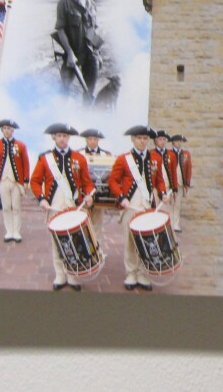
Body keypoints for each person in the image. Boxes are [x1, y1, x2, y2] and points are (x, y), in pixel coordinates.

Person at [30, 123, 95, 291]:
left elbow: (87, 183)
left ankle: (73, 275)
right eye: (59, 135)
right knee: (57, 241)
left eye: (65, 136)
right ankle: (60, 274)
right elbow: (35, 182)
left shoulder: (79, 159)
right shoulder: (45, 159)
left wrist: (89, 195)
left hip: (74, 206)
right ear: (54, 137)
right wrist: (42, 199)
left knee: (75, 241)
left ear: (69, 138)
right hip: (55, 206)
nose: (62, 139)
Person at [108, 125, 167, 291]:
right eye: (139, 138)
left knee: (147, 240)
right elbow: (112, 181)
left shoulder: (155, 158)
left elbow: (159, 181)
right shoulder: (123, 159)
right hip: (130, 205)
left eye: (145, 138)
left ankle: (143, 272)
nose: (142, 141)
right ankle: (131, 273)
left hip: (148, 205)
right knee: (129, 240)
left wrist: (163, 193)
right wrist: (122, 198)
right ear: (133, 139)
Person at [55, 0, 102, 103]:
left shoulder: (92, 5)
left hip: (90, 54)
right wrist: (69, 53)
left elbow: (94, 31)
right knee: (64, 91)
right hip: (72, 54)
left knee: (89, 93)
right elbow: (60, 29)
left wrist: (98, 54)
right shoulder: (64, 3)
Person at [0, 119, 30, 243]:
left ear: (13, 130)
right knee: (6, 206)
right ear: (2, 130)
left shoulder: (21, 145)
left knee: (16, 206)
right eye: (5, 128)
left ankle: (17, 231)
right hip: (3, 180)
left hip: (16, 181)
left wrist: (25, 181)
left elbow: (25, 163)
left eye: (9, 128)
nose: (7, 131)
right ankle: (9, 231)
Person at [78, 128, 111, 241]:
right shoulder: (79, 154)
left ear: (98, 140)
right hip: (84, 193)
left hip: (100, 192)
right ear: (86, 140)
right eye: (90, 139)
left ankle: (98, 251)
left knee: (97, 223)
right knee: (82, 222)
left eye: (95, 139)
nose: (92, 141)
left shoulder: (106, 155)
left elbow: (110, 172)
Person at [169, 134, 192, 232]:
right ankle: (169, 224)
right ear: (173, 142)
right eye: (177, 141)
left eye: (180, 141)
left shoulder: (186, 154)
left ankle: (176, 224)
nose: (179, 143)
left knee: (178, 204)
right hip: (170, 183)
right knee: (169, 204)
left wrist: (187, 183)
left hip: (180, 183)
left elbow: (189, 168)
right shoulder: (168, 153)